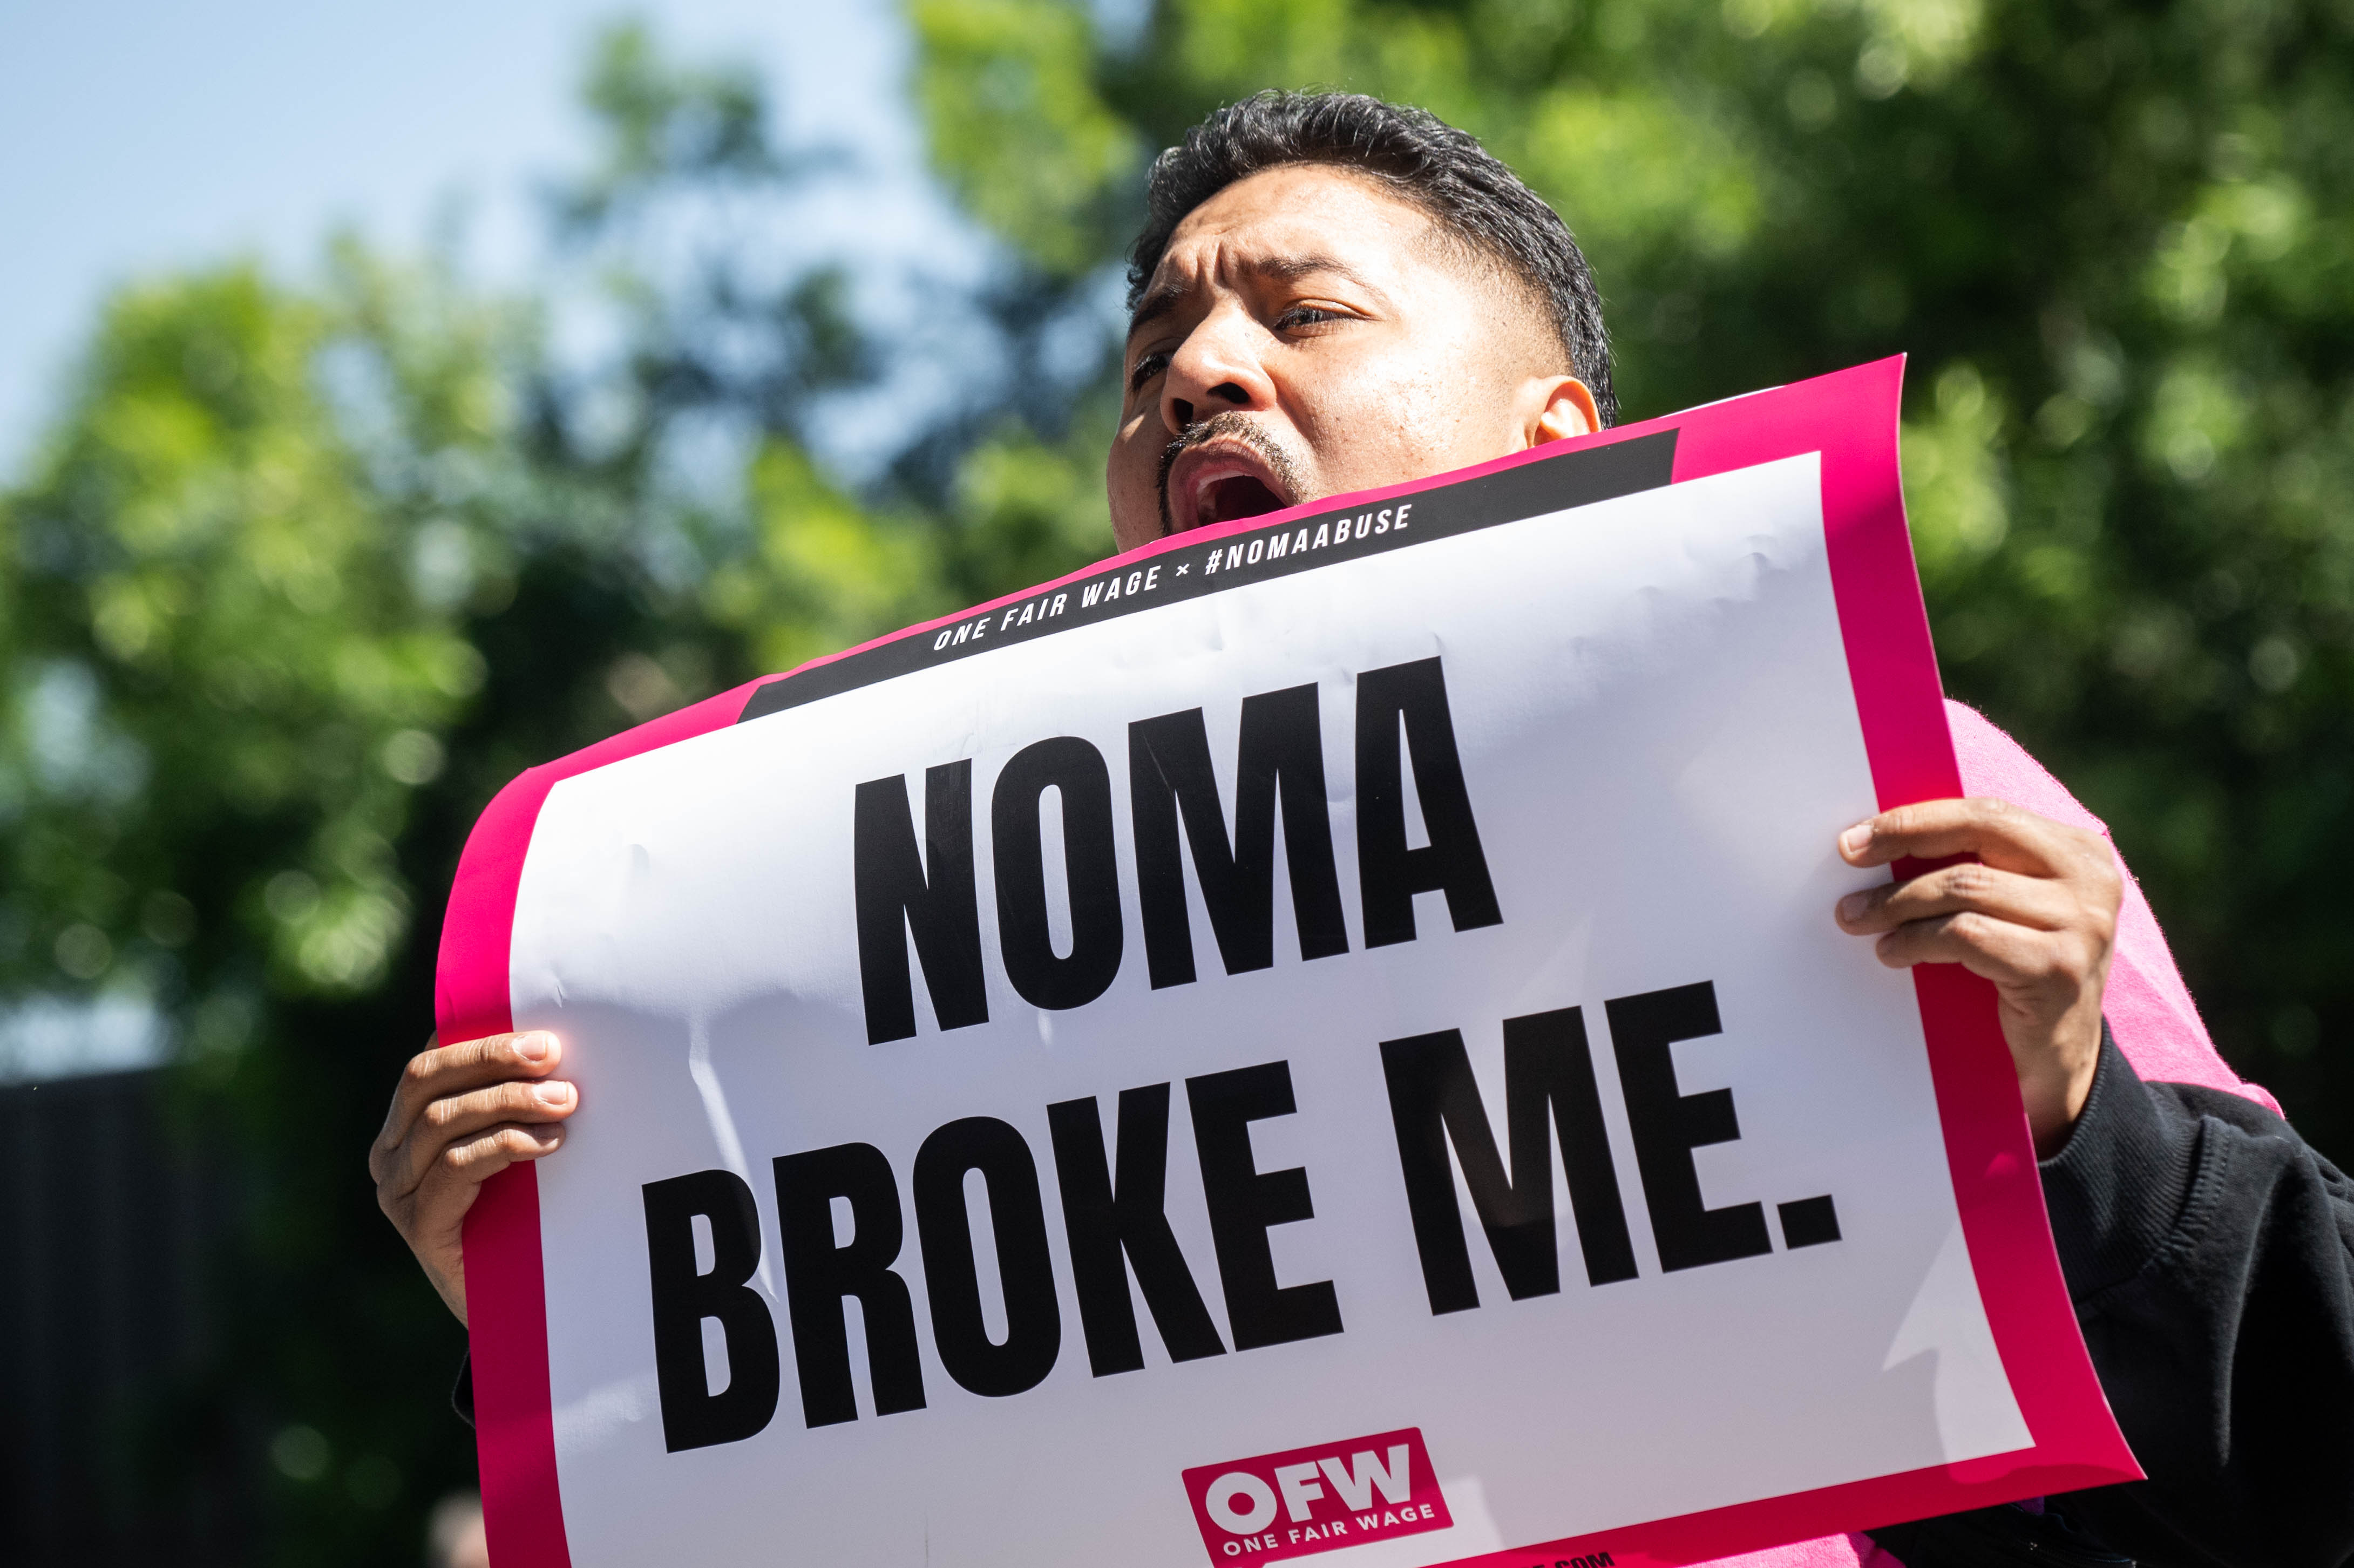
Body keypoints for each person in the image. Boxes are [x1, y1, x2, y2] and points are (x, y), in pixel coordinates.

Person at [372, 92, 2353, 1566]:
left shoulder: (1869, 783)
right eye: (1152, 360)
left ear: (1553, 445)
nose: (1199, 374)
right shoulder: (954, 962)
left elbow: (2293, 1470)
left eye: (1304, 315)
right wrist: (585, 1339)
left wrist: (2083, 1140)